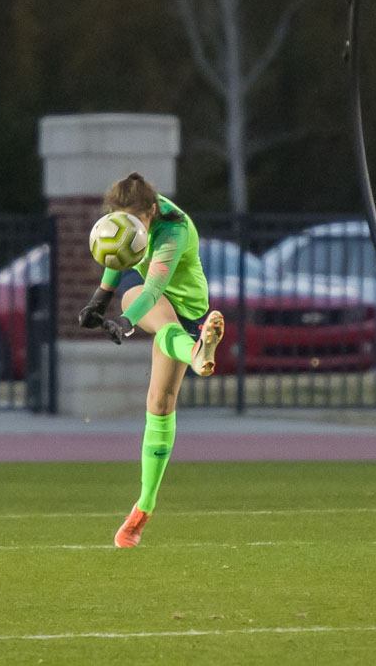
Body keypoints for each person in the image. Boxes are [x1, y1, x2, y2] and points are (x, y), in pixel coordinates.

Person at [77, 172, 224, 548]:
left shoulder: (174, 230)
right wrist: (98, 301)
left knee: (141, 301)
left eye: (138, 222)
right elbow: (119, 253)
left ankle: (194, 350)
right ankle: (141, 512)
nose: (132, 228)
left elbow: (154, 287)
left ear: (152, 211)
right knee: (158, 404)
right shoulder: (125, 224)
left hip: (181, 307)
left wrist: (124, 320)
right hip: (171, 315)